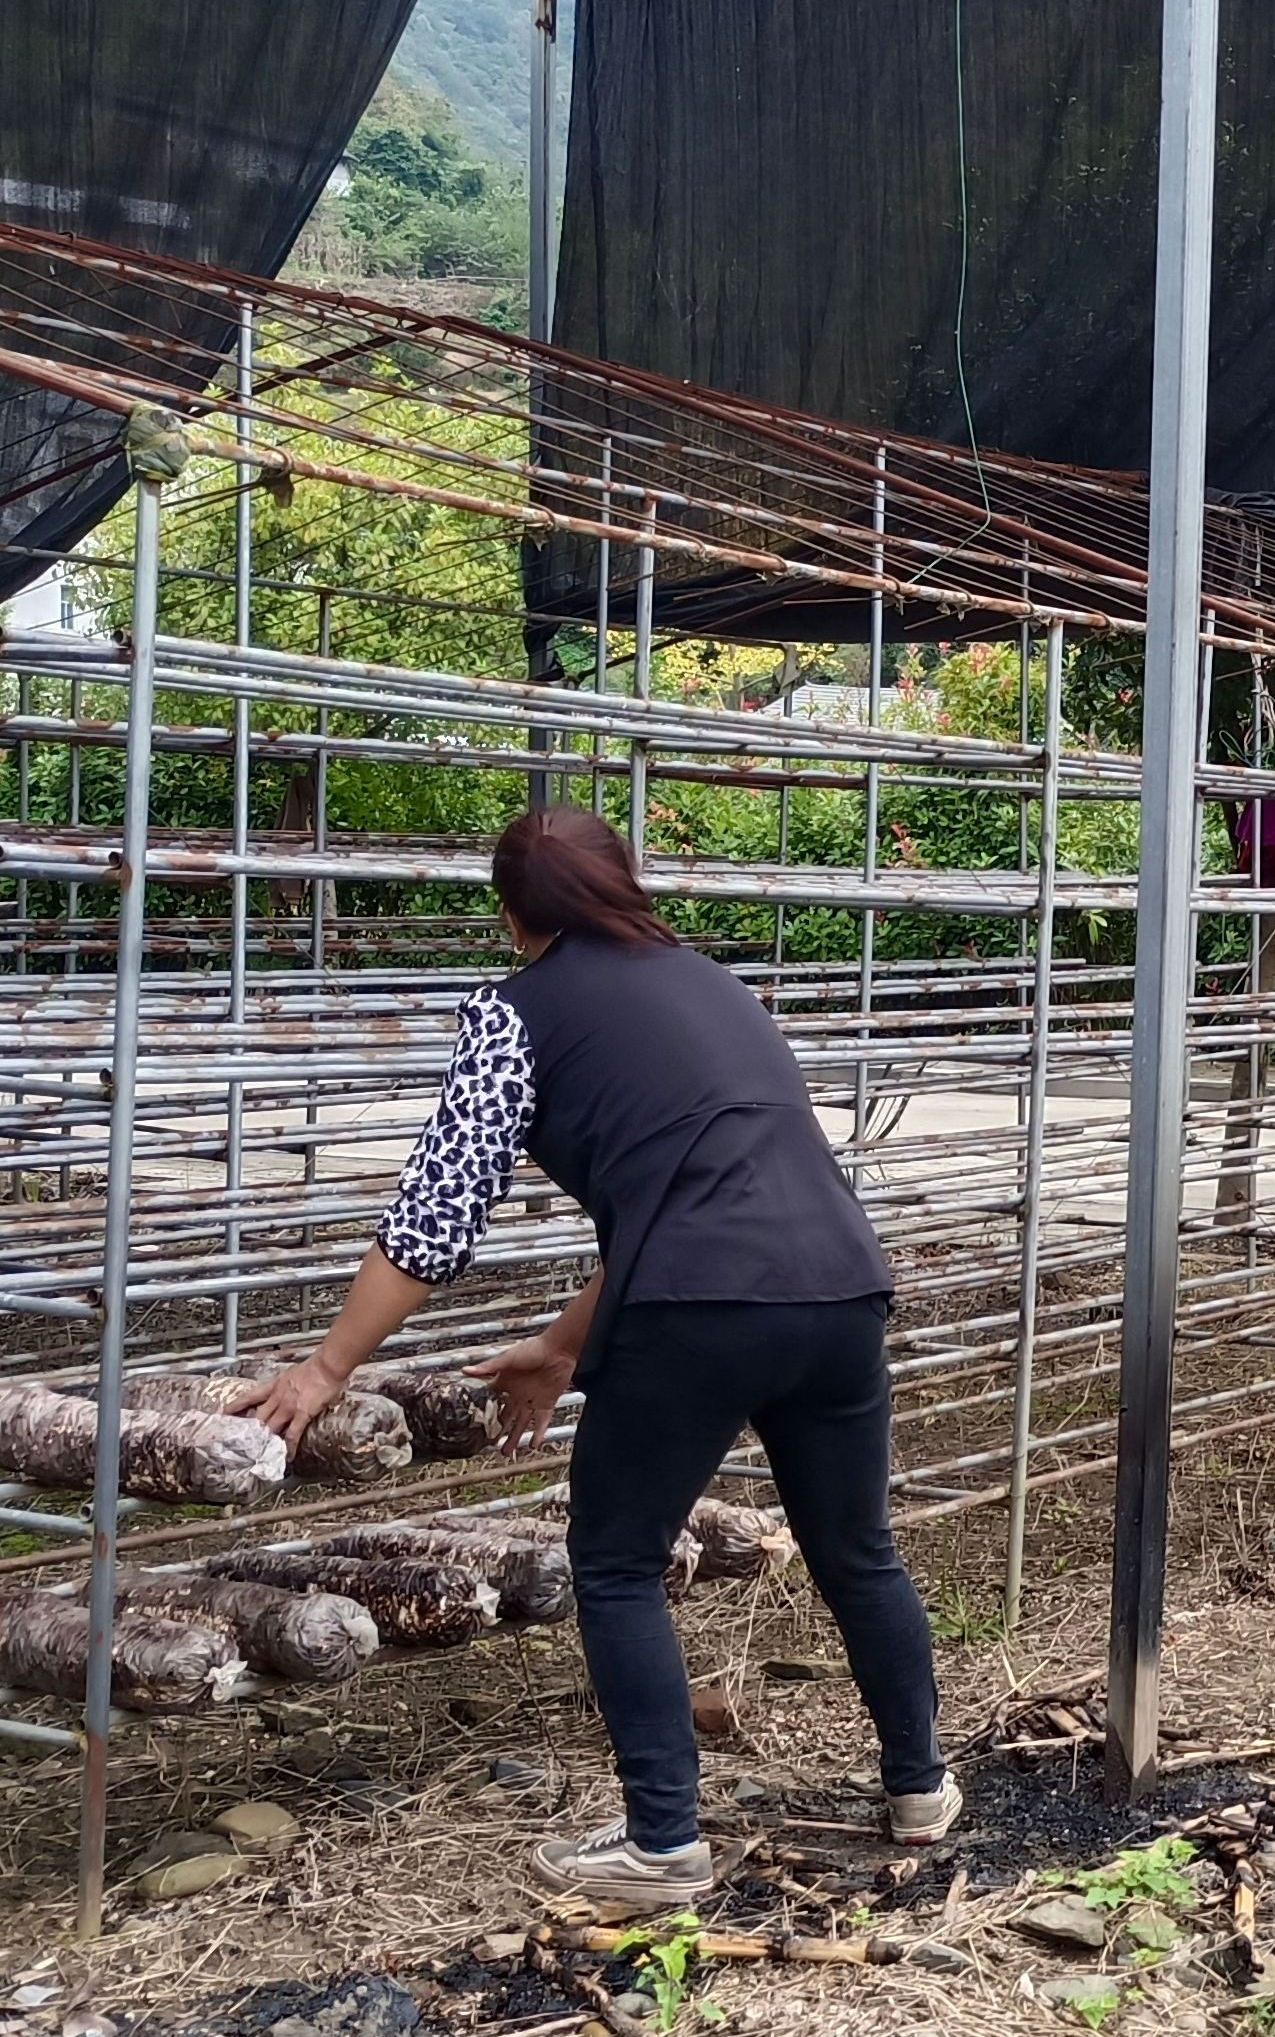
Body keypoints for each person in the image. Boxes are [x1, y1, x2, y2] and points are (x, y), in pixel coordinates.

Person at [238, 807, 952, 1907]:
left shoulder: (513, 1014)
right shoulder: (718, 988)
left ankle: (662, 1841)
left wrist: (326, 1367)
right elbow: (704, 1192)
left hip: (695, 1310)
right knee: (856, 1549)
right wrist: (564, 1346)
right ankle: (919, 1788)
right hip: (842, 1290)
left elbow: (436, 1215)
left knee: (616, 1560)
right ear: (626, 881)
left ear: (510, 914)